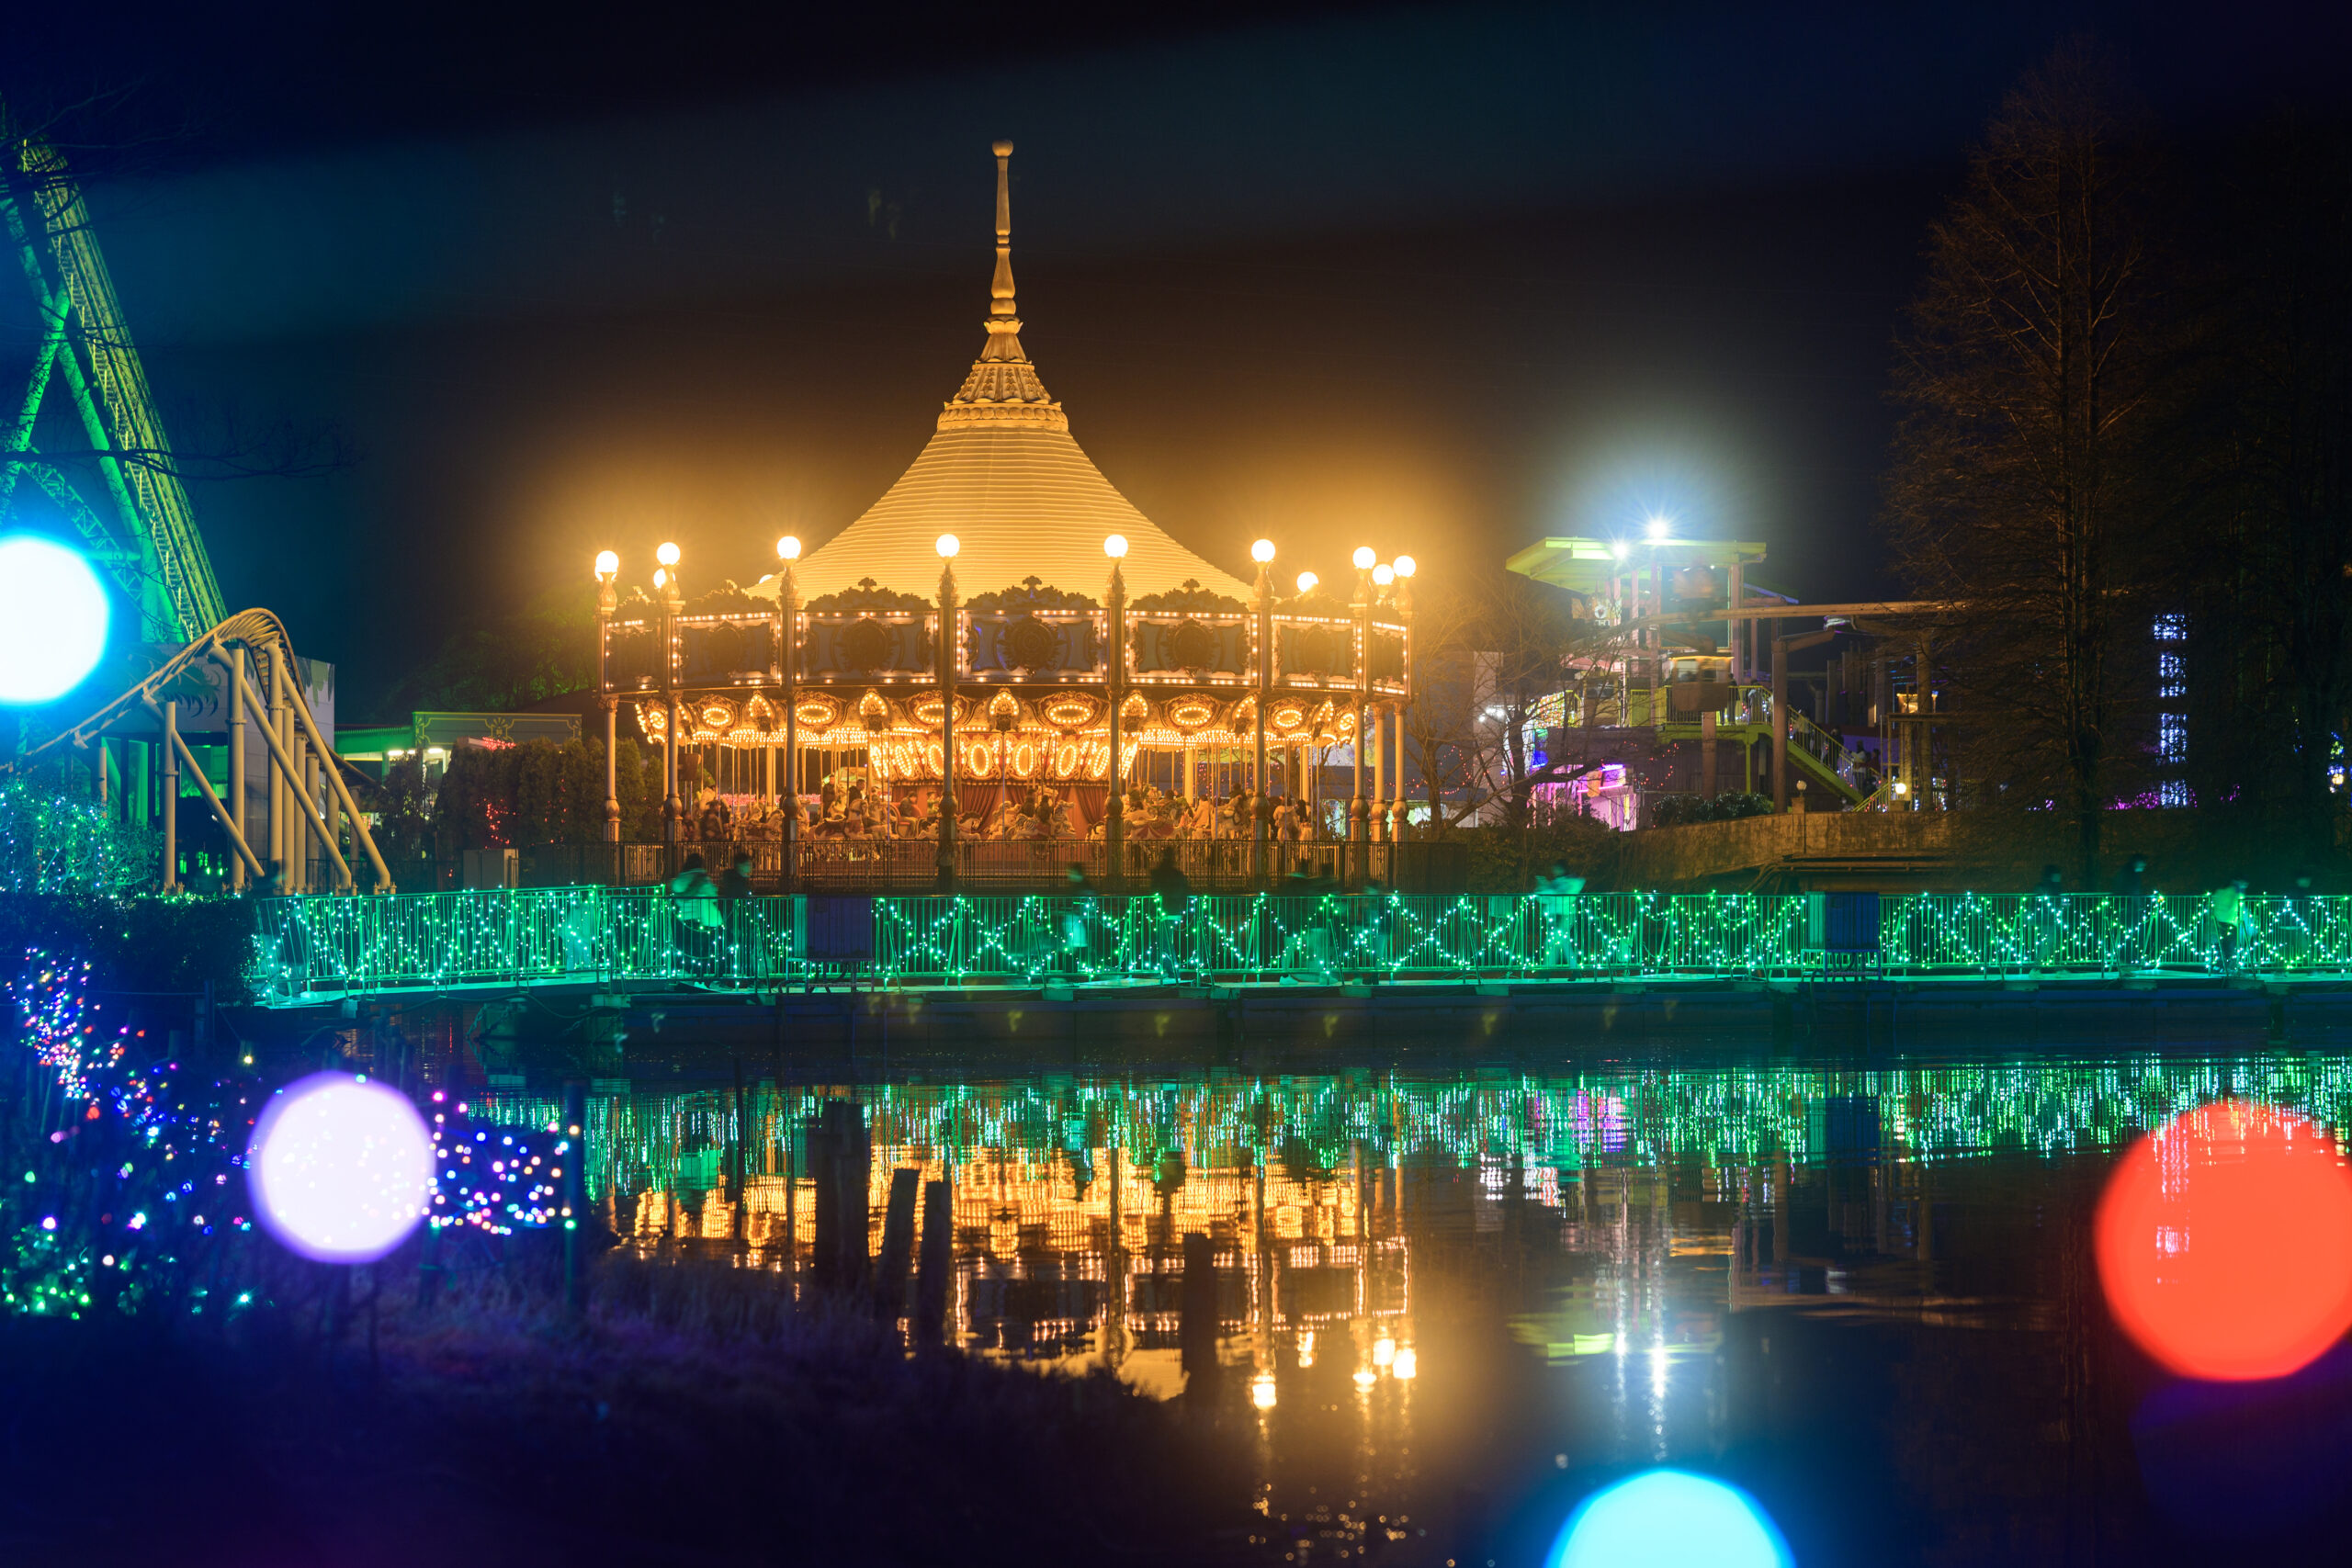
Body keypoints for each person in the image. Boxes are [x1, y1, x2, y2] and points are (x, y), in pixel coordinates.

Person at [667, 852, 723, 975]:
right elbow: (713, 895)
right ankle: (700, 975)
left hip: (683, 918)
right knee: (700, 950)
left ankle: (686, 973)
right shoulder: (702, 878)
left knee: (686, 948)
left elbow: (677, 899)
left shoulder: (680, 879)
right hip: (699, 917)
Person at [1149, 848, 1193, 976]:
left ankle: (1172, 970)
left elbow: (1154, 891)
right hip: (1174, 910)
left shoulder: (1159, 874)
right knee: (1167, 941)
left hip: (1163, 910)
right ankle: (1169, 968)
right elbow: (1185, 892)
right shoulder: (1177, 875)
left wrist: (1152, 911)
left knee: (1165, 943)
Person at [1535, 859, 1586, 970]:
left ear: (1562, 869)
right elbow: (1545, 898)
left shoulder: (1570, 882)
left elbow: (1560, 896)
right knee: (1559, 942)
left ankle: (1549, 969)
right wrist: (1544, 888)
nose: (1554, 871)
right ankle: (1571, 968)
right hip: (1557, 914)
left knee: (1555, 942)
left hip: (1563, 914)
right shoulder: (1558, 883)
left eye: (1556, 868)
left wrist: (1546, 889)